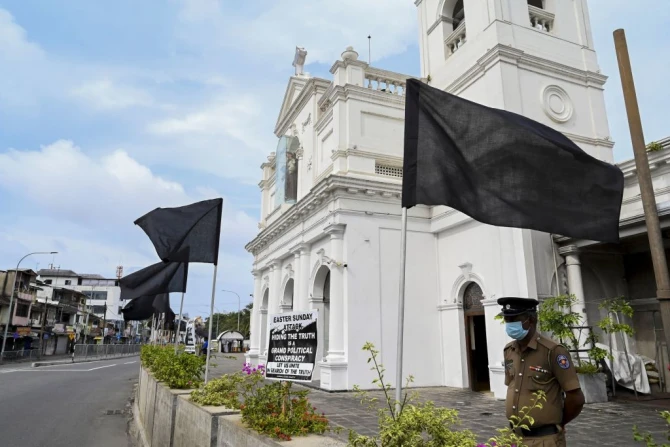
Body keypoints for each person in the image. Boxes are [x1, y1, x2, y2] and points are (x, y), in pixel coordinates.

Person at [498, 297, 585, 447]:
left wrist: (559, 422)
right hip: (513, 437)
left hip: (543, 440)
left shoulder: (553, 351)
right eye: (507, 320)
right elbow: (512, 385)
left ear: (531, 320)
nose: (509, 324)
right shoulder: (509, 351)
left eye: (514, 319)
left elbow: (576, 398)